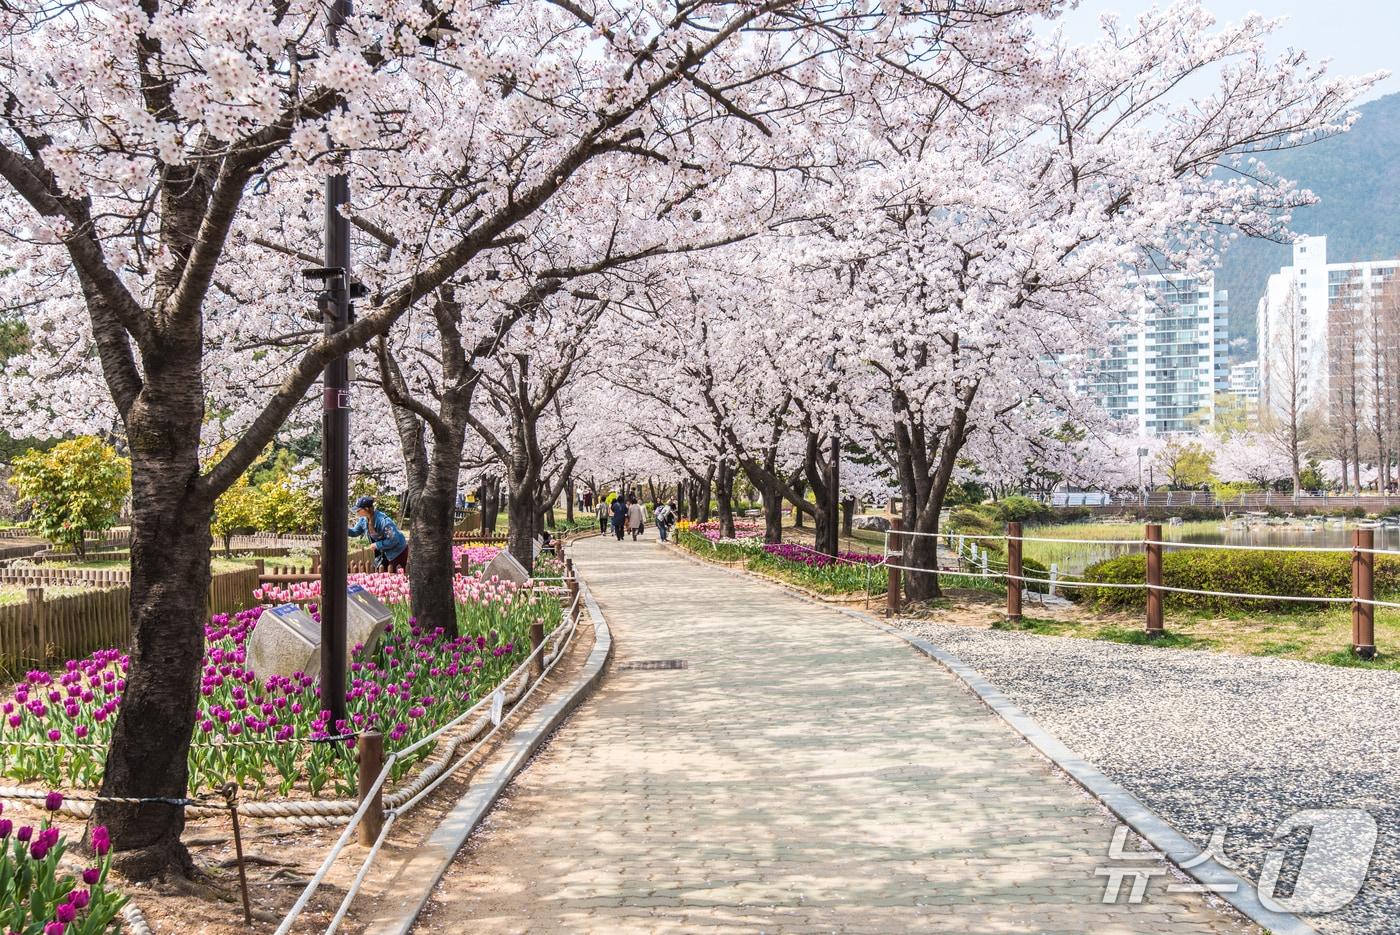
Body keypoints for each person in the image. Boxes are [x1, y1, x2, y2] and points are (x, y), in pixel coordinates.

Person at [348, 495, 409, 572]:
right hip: (384, 552)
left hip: (397, 551)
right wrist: (341, 529)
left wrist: (377, 545)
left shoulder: (384, 521)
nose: (356, 511)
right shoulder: (363, 520)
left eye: (358, 509)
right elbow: (355, 532)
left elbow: (394, 539)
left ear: (366, 509)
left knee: (394, 576)